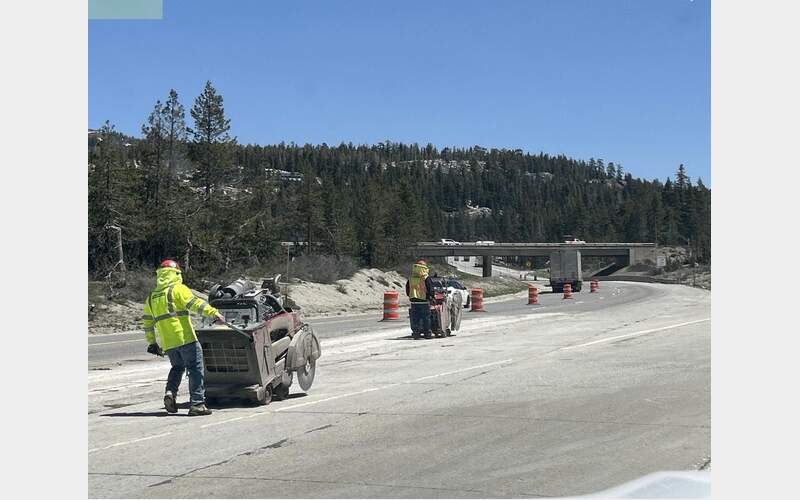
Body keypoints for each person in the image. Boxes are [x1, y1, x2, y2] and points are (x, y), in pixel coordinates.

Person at [142, 260, 225, 416]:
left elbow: (147, 323)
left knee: (177, 368)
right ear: (176, 274)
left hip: (168, 343)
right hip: (185, 338)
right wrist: (214, 314)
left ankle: (170, 393)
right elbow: (195, 304)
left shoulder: (151, 297)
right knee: (195, 369)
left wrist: (152, 342)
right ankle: (197, 404)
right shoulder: (178, 289)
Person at [405, 260, 435, 339]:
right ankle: (427, 333)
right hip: (424, 301)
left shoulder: (411, 278)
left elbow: (408, 288)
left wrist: (410, 296)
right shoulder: (426, 278)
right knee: (426, 318)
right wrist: (431, 297)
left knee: (415, 318)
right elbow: (430, 289)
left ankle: (416, 333)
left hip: (414, 301)